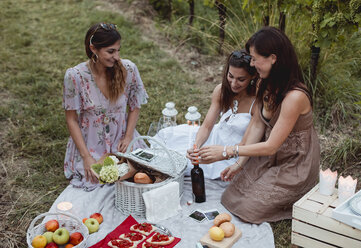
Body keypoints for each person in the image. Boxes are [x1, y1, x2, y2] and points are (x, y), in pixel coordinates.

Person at [197, 27, 320, 223]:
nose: (252, 64)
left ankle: (297, 197)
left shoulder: (295, 97)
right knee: (230, 197)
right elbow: (256, 126)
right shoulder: (265, 84)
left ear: (273, 58)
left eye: (254, 58)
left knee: (248, 210)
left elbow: (271, 145)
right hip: (269, 158)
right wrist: (239, 163)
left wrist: (227, 152)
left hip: (294, 163)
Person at [63, 23, 148, 191]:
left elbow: (135, 105)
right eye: (111, 51)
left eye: (118, 50)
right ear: (93, 49)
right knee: (95, 177)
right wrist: (86, 157)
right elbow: (71, 120)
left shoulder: (128, 69)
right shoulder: (75, 76)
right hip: (91, 142)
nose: (116, 57)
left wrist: (129, 136)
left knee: (140, 171)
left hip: (121, 137)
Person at [153, 50, 257, 179]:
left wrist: (223, 153)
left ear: (252, 77)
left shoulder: (256, 103)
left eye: (241, 79)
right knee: (169, 147)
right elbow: (207, 126)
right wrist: (196, 147)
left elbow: (246, 144)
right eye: (230, 76)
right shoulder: (221, 90)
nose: (234, 84)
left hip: (234, 153)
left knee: (180, 167)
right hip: (213, 137)